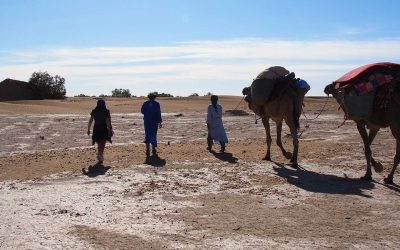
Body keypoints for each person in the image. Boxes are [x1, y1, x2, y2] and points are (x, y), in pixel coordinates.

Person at [87, 99, 113, 164]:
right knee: (103, 142)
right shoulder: (106, 111)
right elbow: (107, 121)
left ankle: (100, 154)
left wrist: (88, 129)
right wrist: (109, 130)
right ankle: (100, 154)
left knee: (99, 142)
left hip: (96, 128)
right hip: (103, 128)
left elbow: (91, 120)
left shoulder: (94, 111)